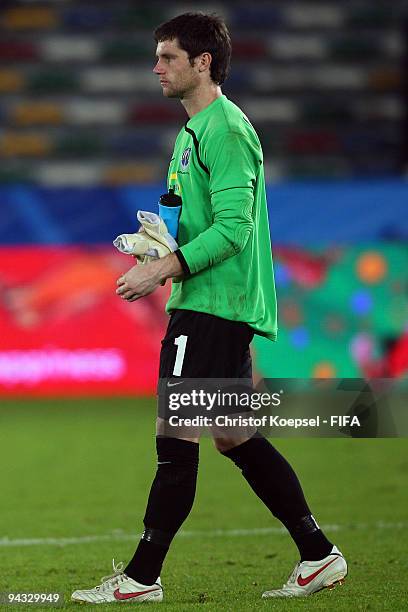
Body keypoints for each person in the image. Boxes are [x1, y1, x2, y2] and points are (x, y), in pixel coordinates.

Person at [71, 12, 347, 604]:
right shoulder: (193, 131)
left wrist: (160, 269)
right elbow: (197, 219)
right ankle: (318, 555)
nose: (156, 68)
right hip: (208, 300)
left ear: (202, 62)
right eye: (157, 55)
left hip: (216, 304)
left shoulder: (226, 131)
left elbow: (233, 232)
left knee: (176, 437)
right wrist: (157, 240)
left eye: (168, 57)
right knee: (234, 434)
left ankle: (141, 578)